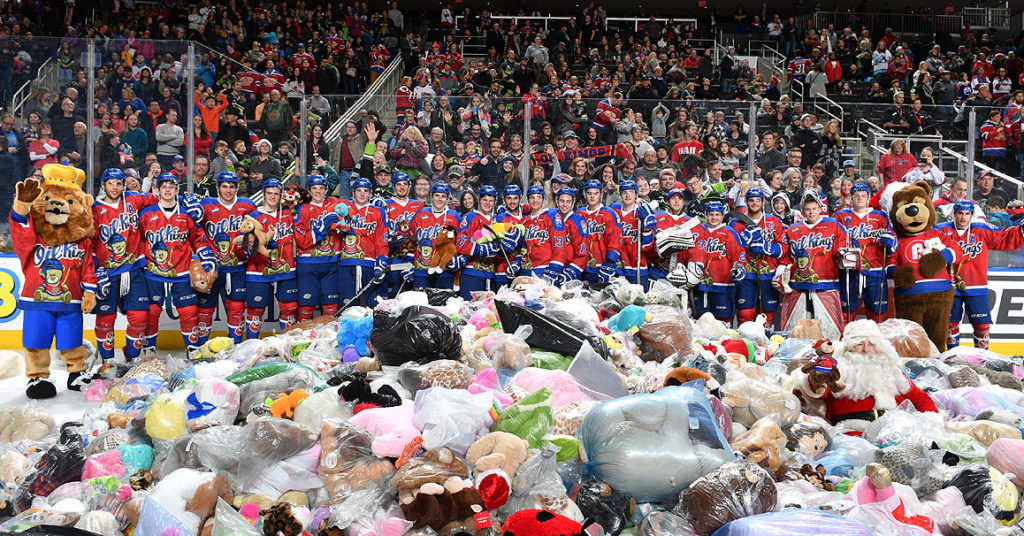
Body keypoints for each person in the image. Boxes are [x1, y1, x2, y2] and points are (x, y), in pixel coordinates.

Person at [795, 319, 937, 435]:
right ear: (849, 347)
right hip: (852, 430)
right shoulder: (838, 369)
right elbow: (817, 392)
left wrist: (931, 420)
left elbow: (919, 397)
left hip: (893, 429)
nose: (866, 349)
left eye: (871, 344)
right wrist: (818, 376)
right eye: (860, 344)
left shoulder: (890, 369)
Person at [139, 173, 217, 354]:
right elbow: (136, 240)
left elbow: (198, 238)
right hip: (153, 273)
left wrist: (206, 255)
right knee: (151, 313)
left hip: (181, 272)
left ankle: (193, 350)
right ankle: (149, 352)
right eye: (163, 186)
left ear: (176, 190)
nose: (167, 189)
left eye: (171, 186)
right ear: (157, 190)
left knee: (189, 312)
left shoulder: (187, 215)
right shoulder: (146, 214)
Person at [92, 169, 159, 369]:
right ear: (103, 185)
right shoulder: (94, 209)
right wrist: (96, 270)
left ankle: (131, 357)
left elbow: (159, 198)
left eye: (119, 183)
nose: (115, 187)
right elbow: (90, 243)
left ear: (124, 185)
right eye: (111, 183)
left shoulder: (133, 200)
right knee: (105, 319)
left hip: (134, 269)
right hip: (107, 273)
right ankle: (107, 361)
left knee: (140, 317)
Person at [936, 200, 1024, 349]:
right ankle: (952, 357)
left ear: (971, 215)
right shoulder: (941, 230)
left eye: (967, 214)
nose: (963, 218)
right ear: (954, 214)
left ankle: (982, 358)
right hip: (949, 287)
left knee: (982, 326)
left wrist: (1021, 230)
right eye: (960, 213)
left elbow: (1005, 237)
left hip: (977, 285)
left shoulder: (982, 229)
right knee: (950, 325)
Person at [775, 190, 855, 341]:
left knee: (830, 333)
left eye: (814, 209)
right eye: (807, 209)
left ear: (820, 208)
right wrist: (782, 271)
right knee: (794, 332)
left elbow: (843, 247)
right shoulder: (793, 230)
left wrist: (845, 255)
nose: (811, 213)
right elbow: (786, 256)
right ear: (802, 210)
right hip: (798, 286)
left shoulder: (833, 225)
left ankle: (830, 360)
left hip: (827, 284)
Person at [196, 171, 257, 344]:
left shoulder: (248, 206)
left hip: (238, 267)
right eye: (224, 186)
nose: (228, 191)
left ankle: (236, 348)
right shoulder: (206, 205)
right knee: (204, 311)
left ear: (237, 188)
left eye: (231, 187)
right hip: (212, 268)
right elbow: (193, 230)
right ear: (218, 188)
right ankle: (201, 350)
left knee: (237, 309)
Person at [833, 183, 898, 322]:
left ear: (869, 198)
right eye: (856, 196)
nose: (860, 198)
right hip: (850, 271)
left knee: (877, 314)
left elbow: (893, 242)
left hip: (875, 271)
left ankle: (874, 342)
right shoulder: (840, 216)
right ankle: (845, 342)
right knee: (846, 314)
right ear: (850, 198)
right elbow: (832, 241)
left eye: (863, 195)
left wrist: (890, 242)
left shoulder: (880, 216)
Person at [244, 179, 299, 339]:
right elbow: (246, 249)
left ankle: (287, 348)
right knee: (255, 311)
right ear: (263, 194)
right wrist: (251, 245)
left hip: (286, 268)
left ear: (281, 195)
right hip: (258, 270)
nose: (273, 197)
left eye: (276, 193)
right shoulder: (253, 217)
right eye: (269, 193)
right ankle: (252, 348)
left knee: (289, 309)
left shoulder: (289, 214)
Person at [730, 189, 787, 326]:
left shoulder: (774, 221)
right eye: (751, 200)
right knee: (745, 313)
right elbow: (731, 249)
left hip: (768, 274)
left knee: (767, 315)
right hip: (747, 275)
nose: (754, 203)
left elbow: (784, 246)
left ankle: (766, 344)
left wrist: (768, 248)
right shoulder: (736, 223)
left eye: (758, 200)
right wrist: (743, 243)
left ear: (762, 202)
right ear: (746, 202)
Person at [293, 174, 342, 320]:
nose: (318, 191)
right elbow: (301, 239)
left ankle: (327, 341)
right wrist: (320, 231)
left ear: (326, 189)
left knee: (331, 308)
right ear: (309, 190)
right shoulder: (302, 208)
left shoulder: (335, 206)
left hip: (331, 263)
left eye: (321, 188)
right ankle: (305, 341)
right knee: (306, 308)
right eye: (314, 188)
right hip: (308, 264)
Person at [338, 178, 389, 307]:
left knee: (375, 307)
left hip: (370, 264)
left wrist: (381, 259)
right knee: (347, 307)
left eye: (365, 191)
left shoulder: (378, 211)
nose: (362, 194)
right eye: (358, 190)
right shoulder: (342, 208)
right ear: (353, 192)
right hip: (347, 263)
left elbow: (381, 237)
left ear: (370, 193)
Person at [692, 201, 747, 322]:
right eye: (711, 214)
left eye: (717, 214)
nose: (714, 217)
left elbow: (739, 254)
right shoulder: (700, 230)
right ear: (705, 215)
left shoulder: (729, 232)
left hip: (723, 285)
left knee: (723, 321)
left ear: (722, 216)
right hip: (701, 285)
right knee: (702, 320)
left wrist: (739, 268)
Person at [409, 183, 463, 290]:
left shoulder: (454, 216)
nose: (440, 199)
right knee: (420, 303)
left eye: (443, 196)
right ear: (432, 197)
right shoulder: (420, 213)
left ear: (447, 199)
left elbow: (459, 243)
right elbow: (411, 240)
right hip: (421, 269)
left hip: (445, 270)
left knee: (443, 305)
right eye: (437, 195)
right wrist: (409, 263)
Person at [456, 185, 506, 299]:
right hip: (472, 273)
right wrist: (482, 249)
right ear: (479, 200)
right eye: (484, 200)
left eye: (491, 200)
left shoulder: (498, 220)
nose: (488, 203)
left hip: (492, 275)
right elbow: (460, 244)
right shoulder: (470, 216)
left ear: (495, 202)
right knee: (468, 310)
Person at [383, 172, 425, 298]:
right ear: (393, 186)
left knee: (411, 295)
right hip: (393, 255)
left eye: (405, 184)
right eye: (398, 184)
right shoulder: (386, 204)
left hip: (412, 256)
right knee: (393, 295)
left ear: (409, 186)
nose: (402, 187)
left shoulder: (418, 205)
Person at [611, 180, 657, 290]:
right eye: (624, 192)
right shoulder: (613, 211)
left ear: (636, 194)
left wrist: (647, 229)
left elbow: (647, 247)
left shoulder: (642, 213)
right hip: (616, 268)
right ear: (620, 194)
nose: (627, 195)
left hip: (637, 268)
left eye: (631, 192)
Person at [577, 179, 623, 285]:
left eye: (596, 193)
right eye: (589, 193)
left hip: (601, 268)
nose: (592, 196)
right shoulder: (579, 213)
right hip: (580, 267)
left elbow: (615, 240)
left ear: (601, 195)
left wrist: (610, 262)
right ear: (585, 194)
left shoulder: (609, 213)